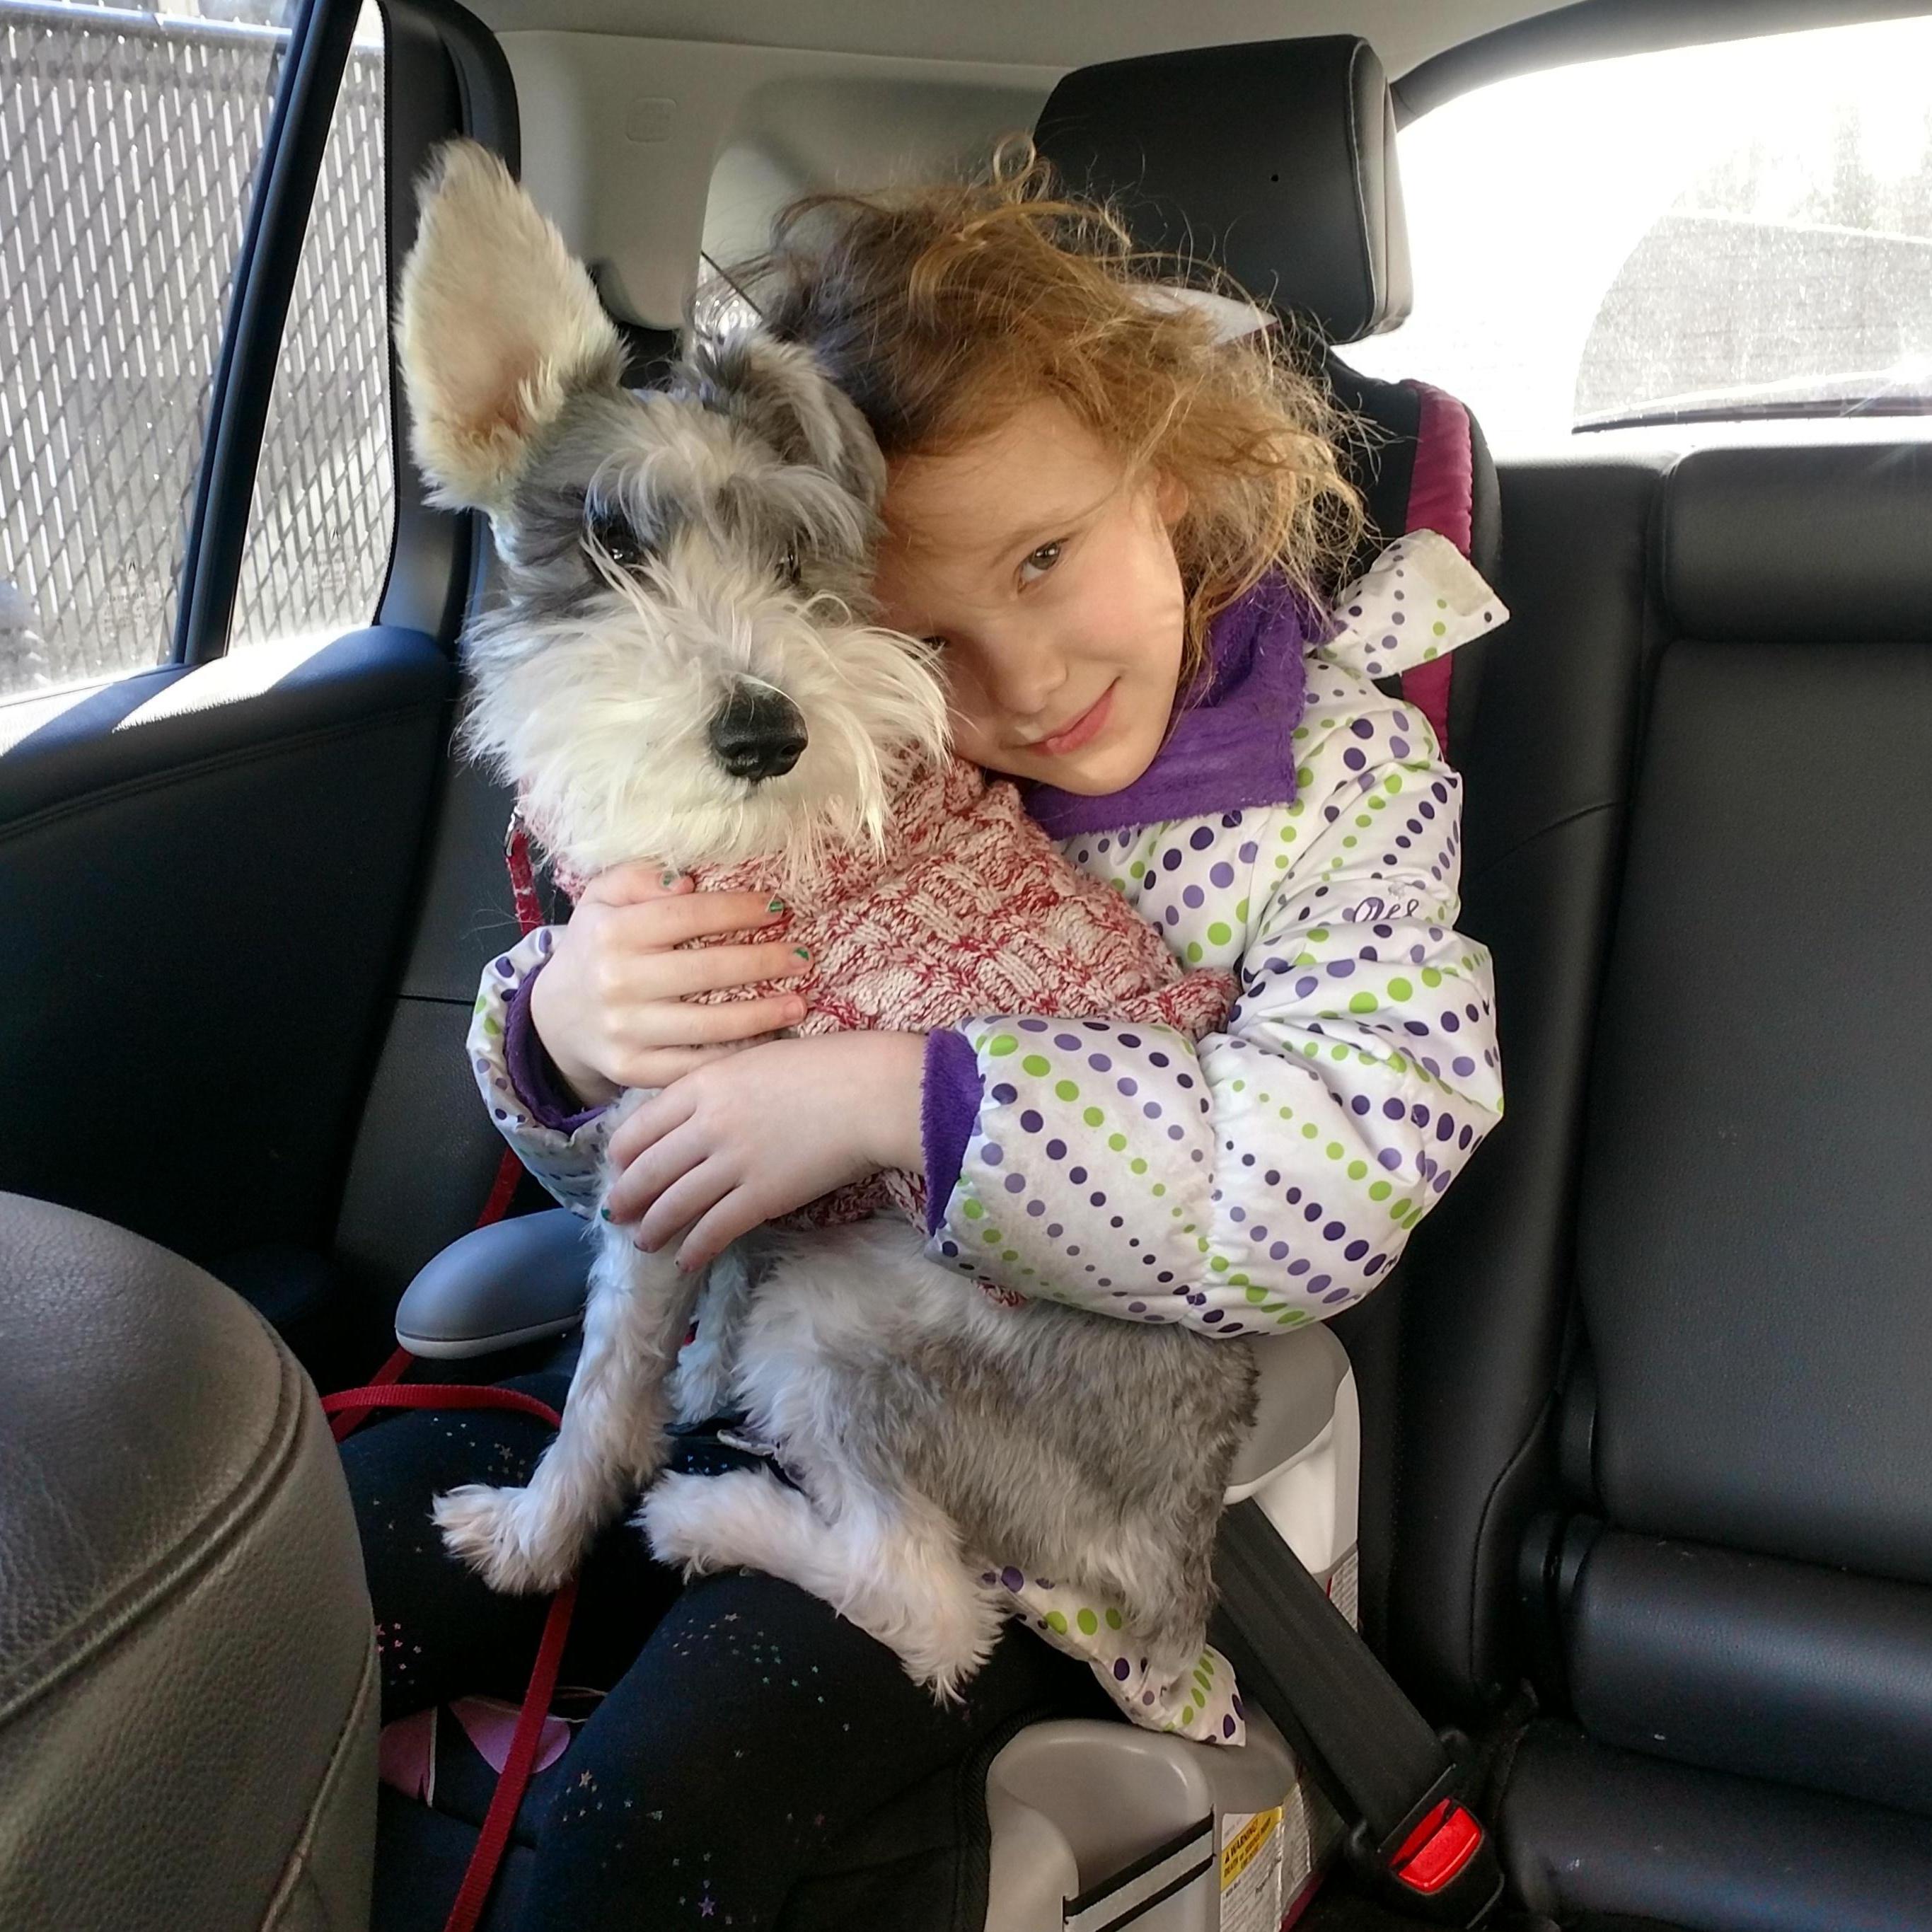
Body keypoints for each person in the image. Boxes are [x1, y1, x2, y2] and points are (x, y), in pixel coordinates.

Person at [347, 148, 1505, 1931]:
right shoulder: (835, 762)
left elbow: (1341, 1156)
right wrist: (568, 1033)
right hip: (752, 1366)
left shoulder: (1347, 784)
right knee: (291, 1580)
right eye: (921, 632)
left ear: (1174, 478)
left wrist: (896, 1095)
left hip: (1044, 1501)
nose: (1020, 680)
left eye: (1048, 560)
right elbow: (655, 1150)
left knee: (631, 1849)